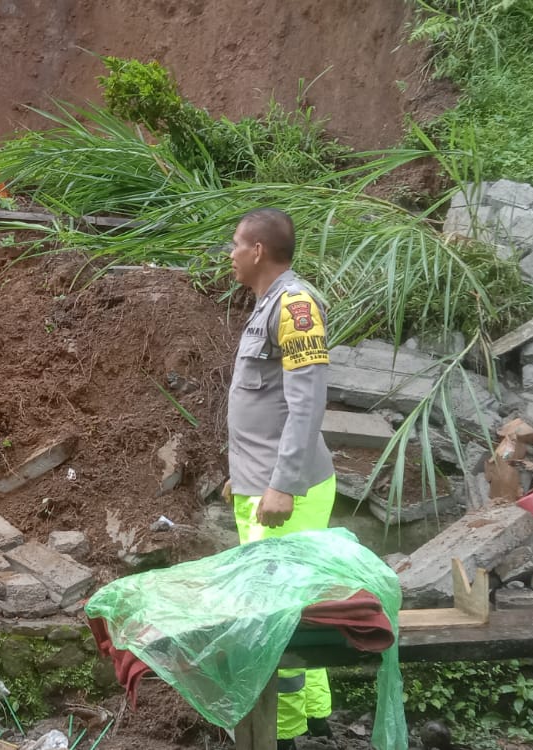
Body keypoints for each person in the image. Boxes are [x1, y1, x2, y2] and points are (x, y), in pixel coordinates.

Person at [225, 207, 337, 749]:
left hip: (287, 491)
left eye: (235, 245)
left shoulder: (294, 306)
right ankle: (316, 718)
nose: (230, 254)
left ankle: (283, 735)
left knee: (276, 616)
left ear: (258, 252)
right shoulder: (268, 305)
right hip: (264, 482)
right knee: (303, 604)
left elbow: (306, 403)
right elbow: (263, 405)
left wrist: (282, 484)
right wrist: (241, 477)